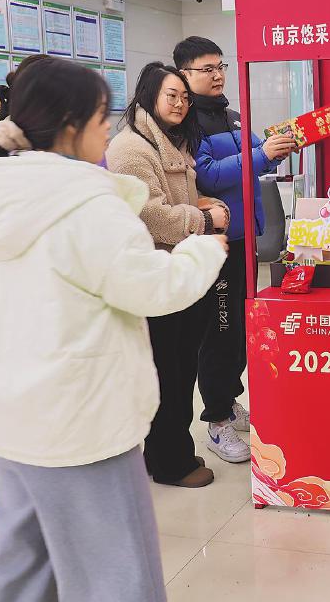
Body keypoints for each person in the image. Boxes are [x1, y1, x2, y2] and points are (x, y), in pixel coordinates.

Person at [0, 57, 227, 601]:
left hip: (2, 411)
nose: (108, 132)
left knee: (18, 557)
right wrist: (202, 251)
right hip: (78, 418)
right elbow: (153, 288)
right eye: (102, 118)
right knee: (115, 571)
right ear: (71, 124)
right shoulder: (84, 204)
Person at [106, 61, 232, 486]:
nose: (179, 104)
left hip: (176, 274)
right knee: (167, 373)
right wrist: (206, 220)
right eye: (170, 95)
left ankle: (165, 454)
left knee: (179, 369)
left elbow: (181, 197)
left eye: (183, 97)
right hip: (154, 277)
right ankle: (170, 463)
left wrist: (205, 203)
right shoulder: (132, 148)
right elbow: (151, 215)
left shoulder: (169, 141)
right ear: (148, 97)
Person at [174, 36, 297, 463]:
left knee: (241, 330)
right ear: (184, 75)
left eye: (220, 66)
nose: (217, 75)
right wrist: (261, 154)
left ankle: (228, 401)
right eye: (206, 69)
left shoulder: (231, 115)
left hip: (244, 238)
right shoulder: (187, 124)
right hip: (216, 242)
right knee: (220, 332)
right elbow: (207, 177)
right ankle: (216, 421)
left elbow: (253, 158)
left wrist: (275, 151)